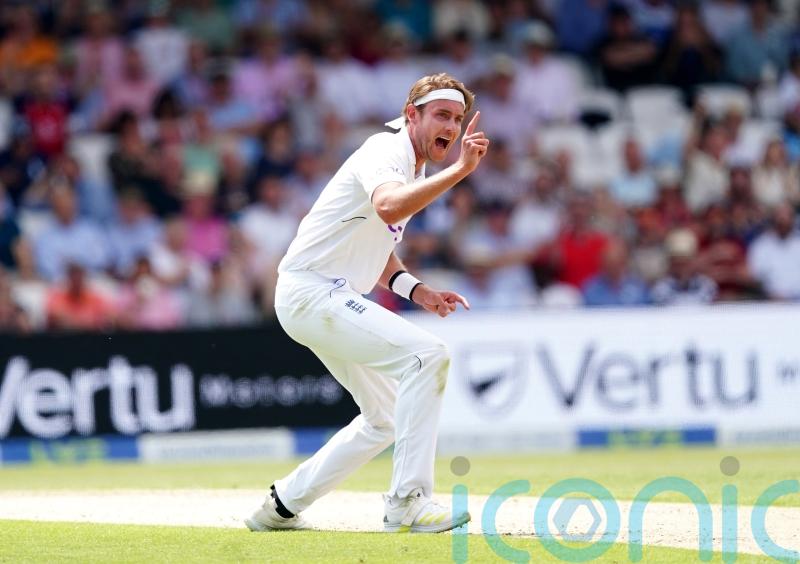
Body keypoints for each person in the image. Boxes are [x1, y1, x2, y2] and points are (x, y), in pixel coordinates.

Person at [245, 73, 488, 533]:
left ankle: (281, 505)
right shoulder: (386, 150)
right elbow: (390, 209)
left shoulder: (412, 166)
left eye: (457, 119)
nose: (452, 128)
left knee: (383, 418)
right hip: (312, 292)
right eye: (442, 115)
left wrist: (417, 291)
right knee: (428, 355)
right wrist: (459, 172)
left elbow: (376, 243)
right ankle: (408, 503)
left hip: (318, 296)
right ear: (411, 114)